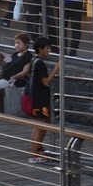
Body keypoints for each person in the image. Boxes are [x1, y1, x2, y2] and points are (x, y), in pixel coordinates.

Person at [27, 36, 60, 164]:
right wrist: (56, 70)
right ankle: (33, 154)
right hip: (39, 99)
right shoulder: (39, 63)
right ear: (40, 49)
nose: (48, 51)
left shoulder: (33, 60)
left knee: (42, 125)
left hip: (36, 98)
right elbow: (45, 82)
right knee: (40, 126)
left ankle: (38, 149)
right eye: (47, 48)